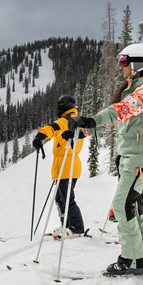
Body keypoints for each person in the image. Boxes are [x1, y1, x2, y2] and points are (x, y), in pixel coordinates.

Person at [70, 43, 143, 276]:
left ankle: (130, 261)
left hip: (139, 159)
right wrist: (83, 130)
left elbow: (124, 109)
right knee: (133, 205)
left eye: (124, 62)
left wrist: (91, 120)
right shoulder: (140, 86)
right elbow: (125, 120)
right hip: (134, 156)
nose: (121, 67)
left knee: (122, 206)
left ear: (137, 64)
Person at [32, 95, 87, 238]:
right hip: (65, 166)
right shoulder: (75, 120)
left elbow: (53, 128)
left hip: (66, 166)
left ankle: (77, 228)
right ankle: (67, 226)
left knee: (67, 199)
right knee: (60, 199)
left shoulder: (67, 120)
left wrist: (40, 136)